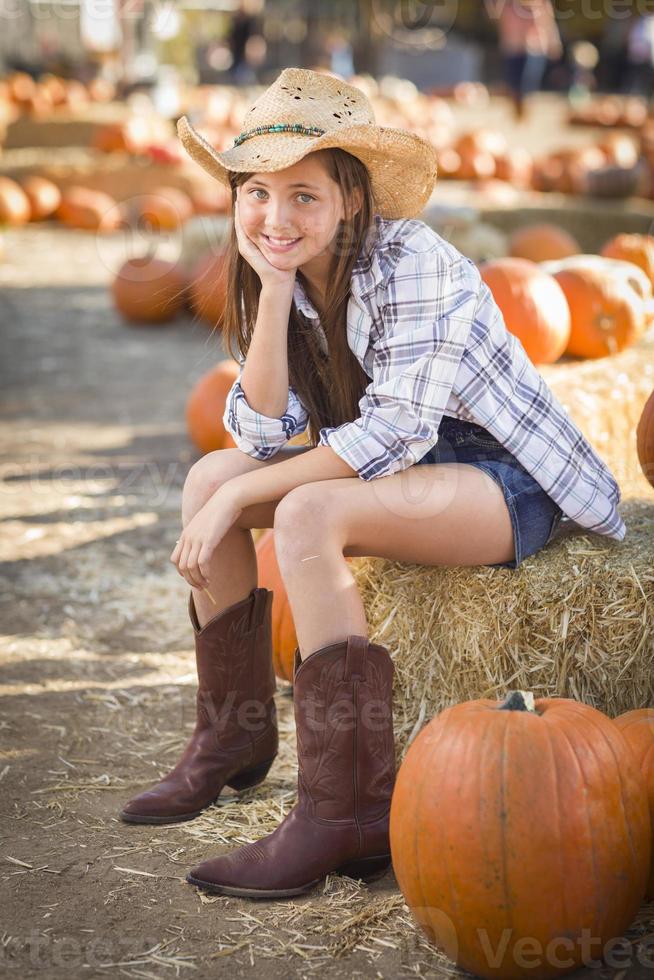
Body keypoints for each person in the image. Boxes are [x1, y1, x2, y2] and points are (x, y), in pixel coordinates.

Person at [119, 68, 625, 898]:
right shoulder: (277, 266)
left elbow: (396, 433)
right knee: (209, 473)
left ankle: (348, 807)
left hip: (501, 475)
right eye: (256, 193)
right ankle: (232, 738)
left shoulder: (412, 260)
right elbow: (260, 430)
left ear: (351, 198)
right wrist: (275, 288)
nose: (275, 217)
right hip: (404, 464)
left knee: (301, 512)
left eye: (303, 197)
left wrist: (249, 498)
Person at [489, 0, 563, 119]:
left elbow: (548, 24)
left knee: (527, 83)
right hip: (512, 48)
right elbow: (499, 19)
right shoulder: (506, 5)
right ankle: (517, 110)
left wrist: (554, 44)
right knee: (514, 84)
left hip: (533, 48)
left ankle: (525, 111)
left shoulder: (540, 4)